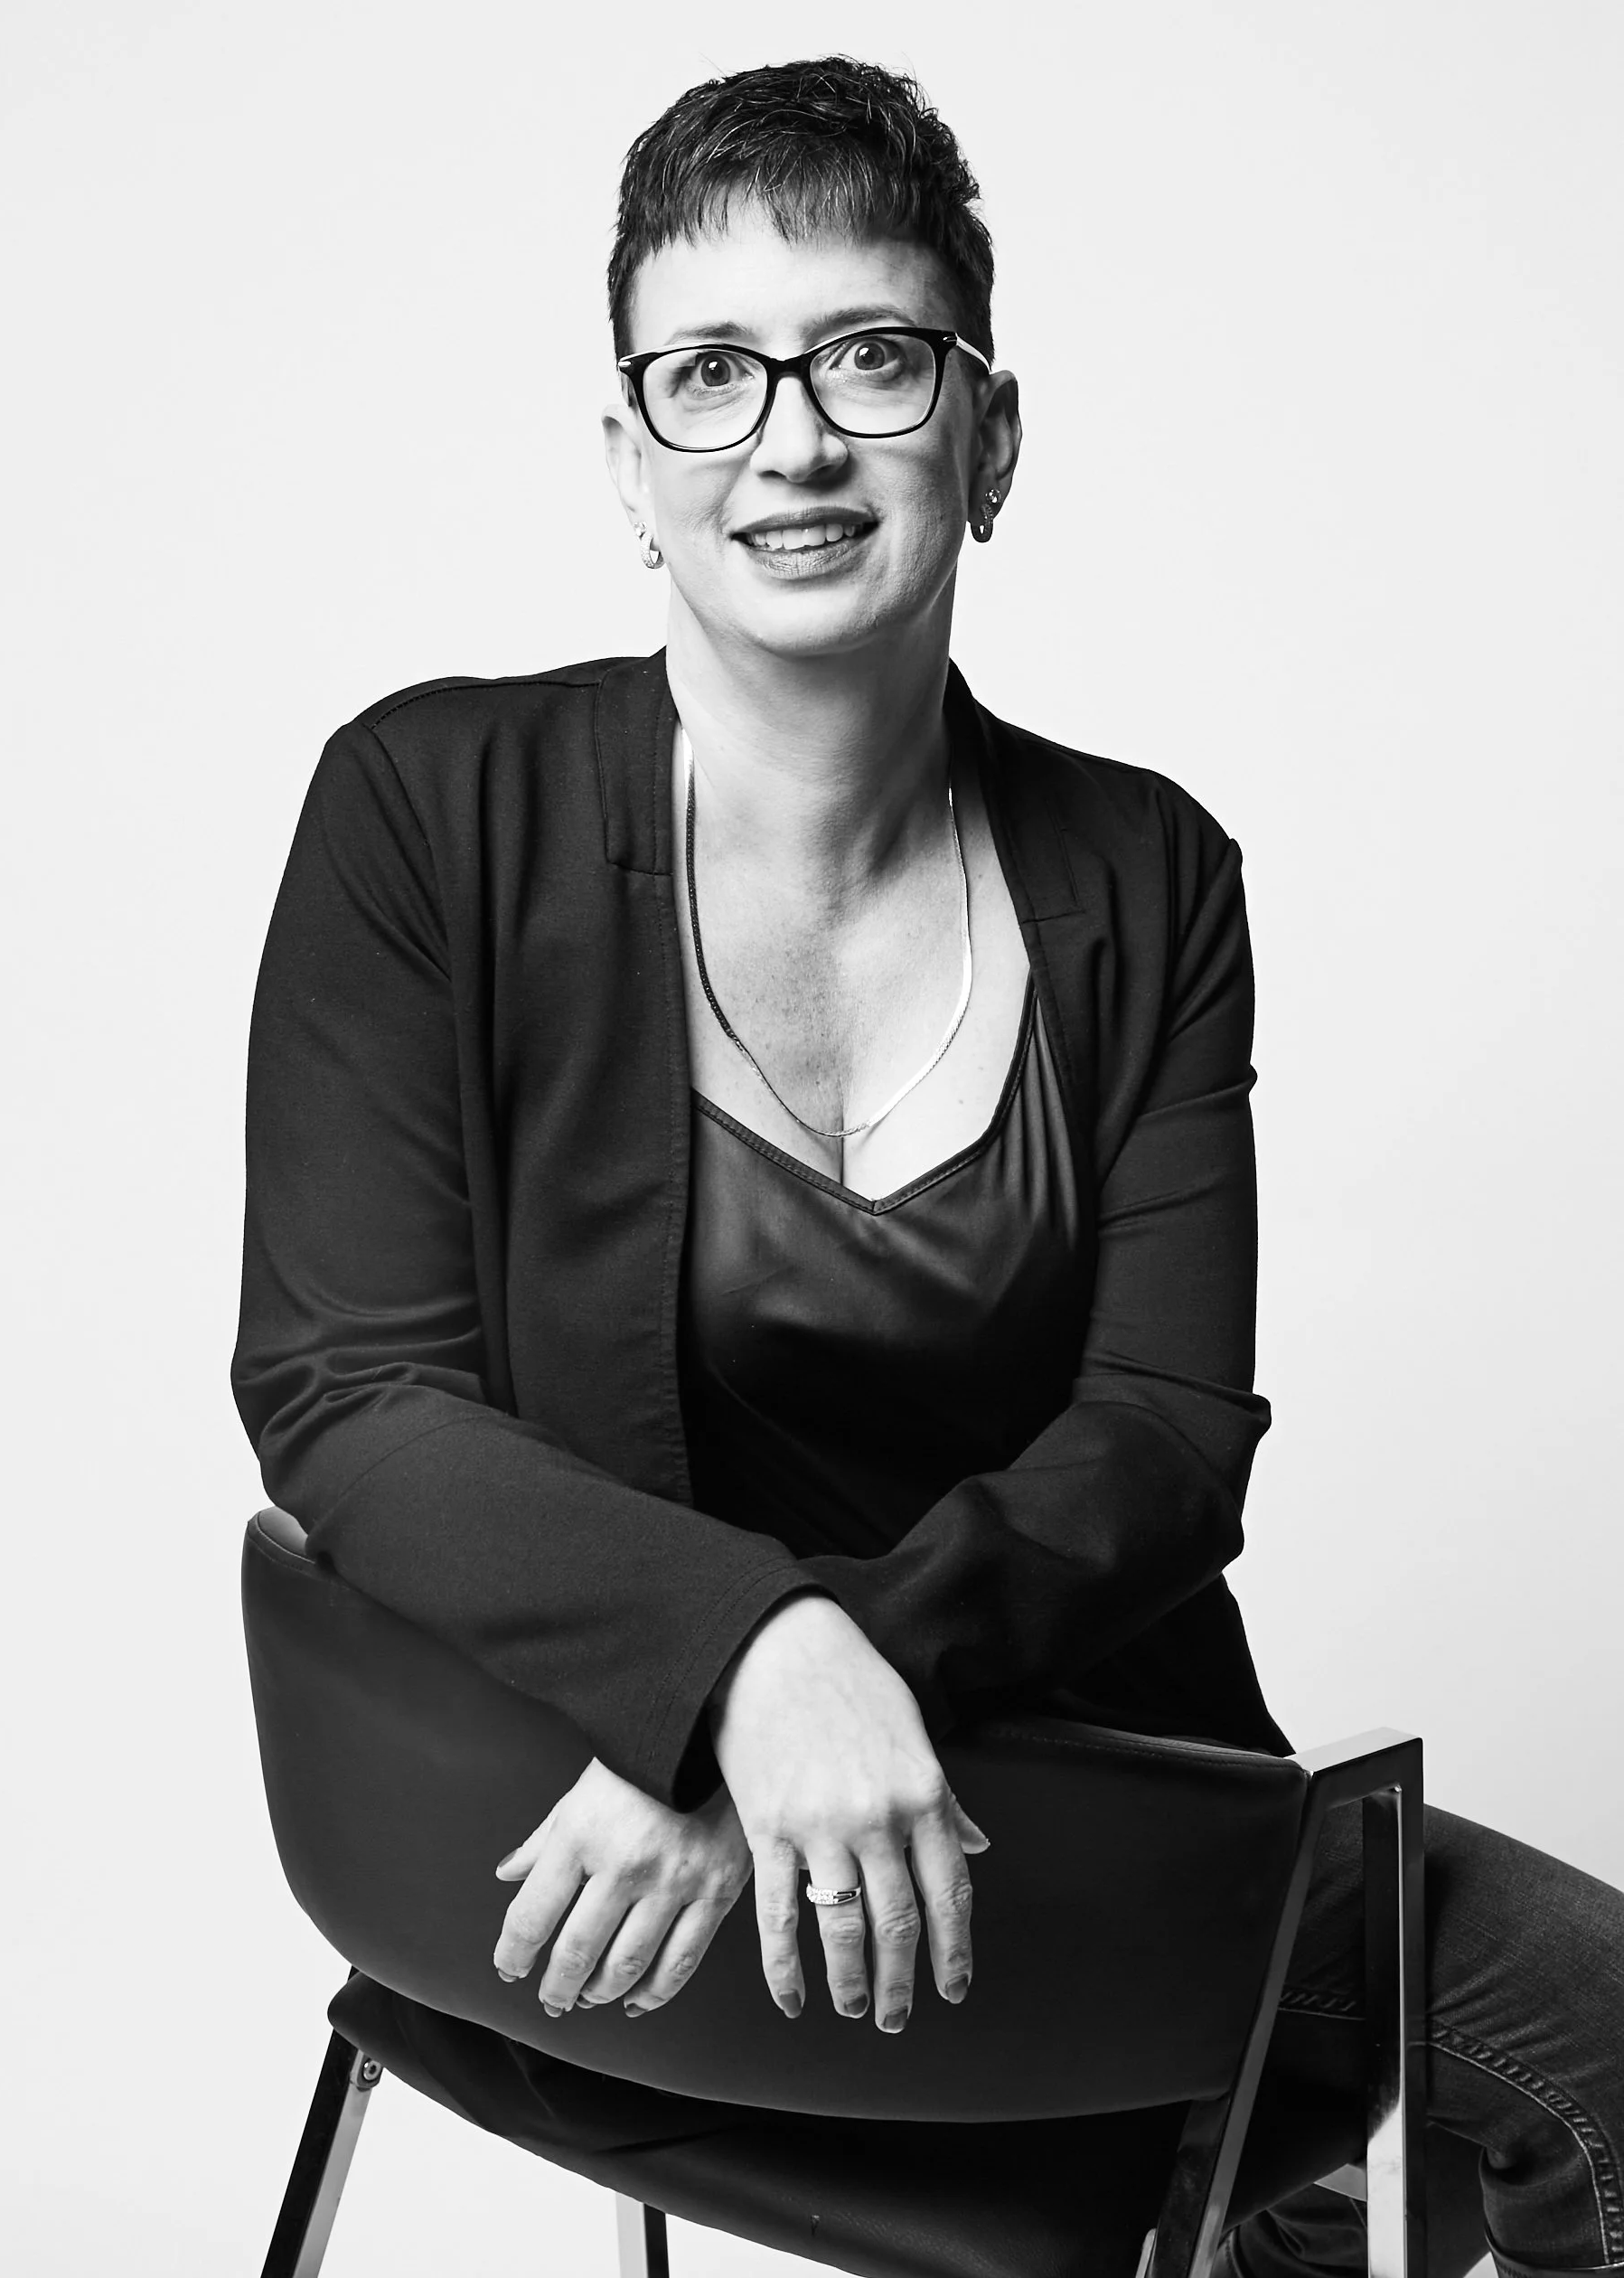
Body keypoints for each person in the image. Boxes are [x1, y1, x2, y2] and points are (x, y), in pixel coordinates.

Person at [232, 56, 1623, 2278]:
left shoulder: (1146, 872)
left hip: (1021, 1851)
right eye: (707, 375)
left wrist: (818, 1682)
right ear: (628, 461)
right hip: (585, 1889)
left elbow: (1168, 1445)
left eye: (869, 356)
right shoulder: (427, 810)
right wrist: (740, 1674)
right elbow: (348, 1395)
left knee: (1427, 2094)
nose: (787, 439)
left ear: (985, 436)